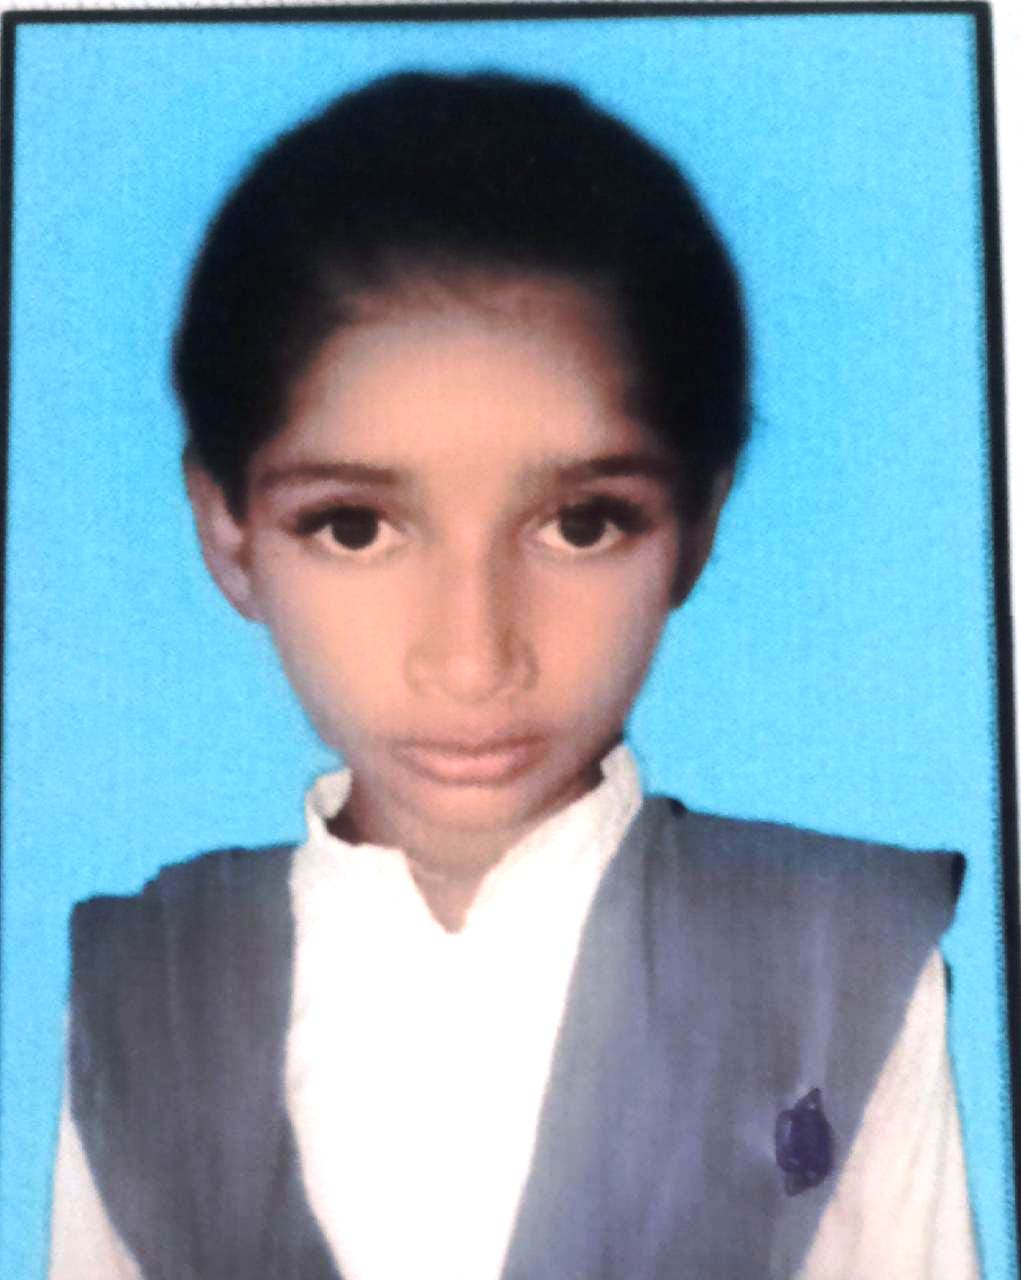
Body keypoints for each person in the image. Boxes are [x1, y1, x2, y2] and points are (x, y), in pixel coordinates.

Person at [49, 71, 977, 1278]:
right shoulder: (145, 990)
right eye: (353, 526)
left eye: (581, 524)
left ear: (696, 521)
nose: (474, 656)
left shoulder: (841, 960)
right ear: (228, 533)